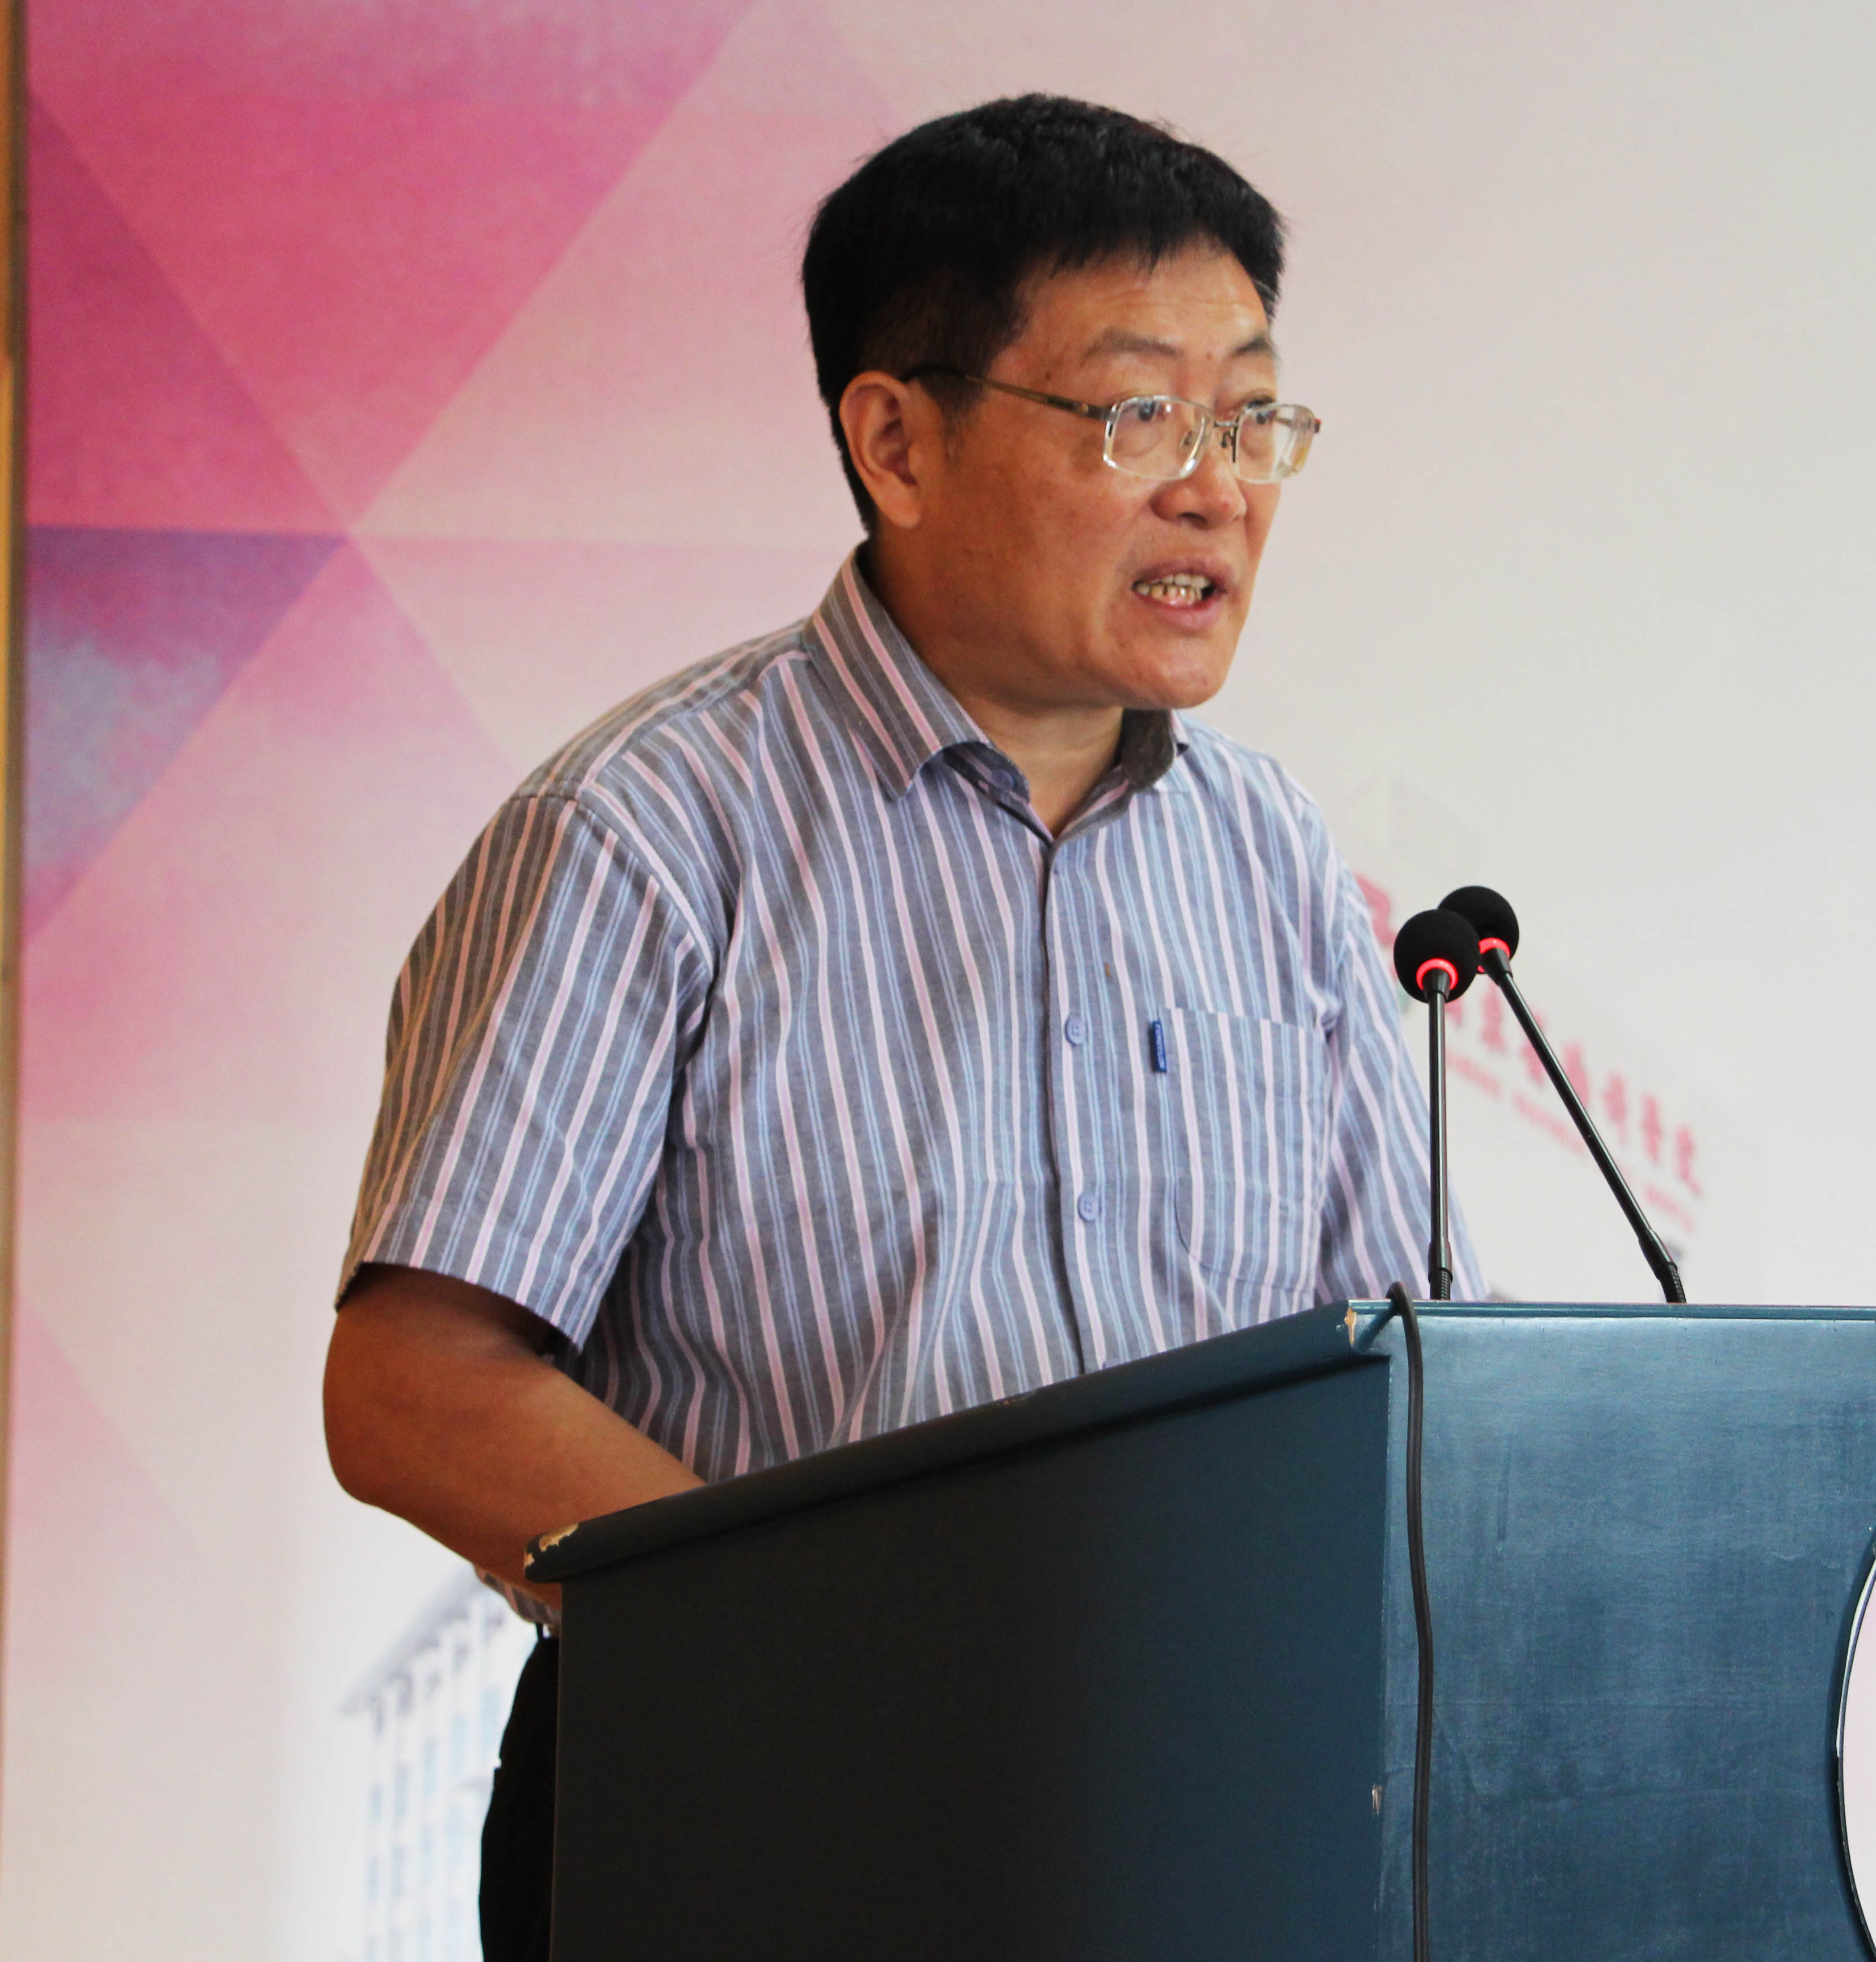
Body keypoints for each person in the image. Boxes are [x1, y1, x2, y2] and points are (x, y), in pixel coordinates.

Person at [320, 94, 1466, 1960]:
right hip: (757, 1806)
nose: (1219, 489)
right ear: (898, 440)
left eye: (1254, 417)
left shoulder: (1269, 851)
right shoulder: (647, 829)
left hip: (1200, 1805)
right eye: (1139, 415)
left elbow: (1412, 1361)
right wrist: (851, 1650)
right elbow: (413, 1389)